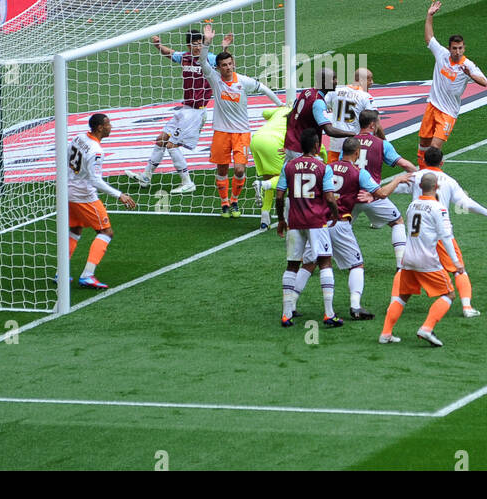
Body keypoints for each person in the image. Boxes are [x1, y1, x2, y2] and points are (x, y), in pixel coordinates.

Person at [379, 145, 487, 318]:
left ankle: (393, 305)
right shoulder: (449, 181)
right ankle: (467, 307)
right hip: (438, 234)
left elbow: (389, 190)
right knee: (459, 269)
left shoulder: (415, 177)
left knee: (403, 269)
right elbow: (466, 203)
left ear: (423, 161)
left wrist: (373, 194)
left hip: (416, 236)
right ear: (442, 162)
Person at [125, 25, 232, 195]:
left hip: (197, 111)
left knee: (171, 144)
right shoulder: (185, 57)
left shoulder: (209, 59)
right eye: (195, 44)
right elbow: (170, 53)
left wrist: (225, 48)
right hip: (185, 109)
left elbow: (228, 67)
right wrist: (158, 46)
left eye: (200, 43)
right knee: (161, 139)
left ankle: (187, 182)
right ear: (189, 46)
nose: (198, 47)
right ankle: (146, 176)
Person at [289, 137, 382, 321]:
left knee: (308, 263)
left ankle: (290, 305)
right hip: (338, 223)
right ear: (357, 153)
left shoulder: (327, 167)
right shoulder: (358, 172)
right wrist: (400, 180)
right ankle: (355, 306)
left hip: (319, 223)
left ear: (341, 151)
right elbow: (381, 193)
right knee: (356, 264)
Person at [200, 50, 283, 217]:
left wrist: (280, 104)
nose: (228, 67)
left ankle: (235, 200)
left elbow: (264, 88)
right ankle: (224, 203)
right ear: (218, 67)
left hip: (241, 133)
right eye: (224, 65)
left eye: (230, 64)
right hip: (221, 132)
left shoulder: (243, 81)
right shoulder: (215, 80)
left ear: (234, 64)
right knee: (222, 169)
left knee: (239, 170)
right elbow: (202, 62)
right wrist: (207, 43)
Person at [378, 172, 457, 346]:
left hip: (408, 258)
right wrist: (455, 261)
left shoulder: (412, 205)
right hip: (427, 260)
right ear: (437, 187)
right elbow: (446, 236)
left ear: (420, 187)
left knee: (402, 296)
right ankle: (427, 328)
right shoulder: (439, 208)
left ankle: (385, 333)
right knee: (449, 294)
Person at [276, 127, 343, 328]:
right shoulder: (324, 167)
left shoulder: (288, 166)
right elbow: (330, 197)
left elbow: (279, 196)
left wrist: (281, 219)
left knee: (292, 265)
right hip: (317, 222)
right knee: (324, 262)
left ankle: (286, 314)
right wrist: (335, 214)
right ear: (317, 146)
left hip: (295, 222)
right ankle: (329, 313)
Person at [67, 112, 138, 290]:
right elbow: (95, 180)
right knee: (106, 232)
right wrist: (119, 194)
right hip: (84, 196)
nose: (110, 127)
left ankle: (61, 272)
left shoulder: (79, 137)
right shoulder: (96, 151)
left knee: (75, 228)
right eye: (108, 124)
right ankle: (88, 275)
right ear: (100, 128)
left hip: (67, 190)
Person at [418, 0, 487, 166]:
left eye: (460, 48)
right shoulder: (441, 54)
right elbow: (429, 38)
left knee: (434, 148)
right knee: (423, 145)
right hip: (433, 106)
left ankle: (434, 179)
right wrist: (429, 16)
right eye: (455, 48)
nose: (457, 51)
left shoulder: (467, 65)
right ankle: (422, 175)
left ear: (464, 48)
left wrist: (470, 74)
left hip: (448, 113)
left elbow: (484, 82)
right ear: (449, 48)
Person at [348, 109, 417, 267]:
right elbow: (404, 164)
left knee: (340, 227)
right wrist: (420, 176)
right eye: (379, 122)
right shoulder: (382, 144)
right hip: (373, 196)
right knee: (397, 222)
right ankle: (401, 266)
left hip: (350, 197)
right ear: (373, 125)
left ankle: (315, 259)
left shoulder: (349, 142)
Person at [323, 67, 375, 161]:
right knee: (352, 172)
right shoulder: (366, 97)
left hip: (336, 143)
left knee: (332, 171)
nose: (372, 82)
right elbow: (374, 121)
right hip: (354, 145)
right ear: (361, 80)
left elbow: (321, 105)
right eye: (369, 79)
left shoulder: (335, 91)